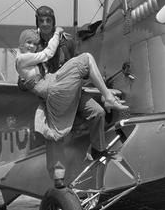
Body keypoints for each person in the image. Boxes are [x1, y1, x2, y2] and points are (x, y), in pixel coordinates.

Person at [16, 28, 127, 185]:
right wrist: (55, 33)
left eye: (34, 43)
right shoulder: (31, 58)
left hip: (71, 88)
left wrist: (102, 89)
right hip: (55, 90)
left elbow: (84, 76)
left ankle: (98, 149)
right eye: (28, 43)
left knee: (98, 112)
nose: (32, 46)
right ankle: (58, 176)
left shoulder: (64, 60)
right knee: (54, 134)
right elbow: (44, 57)